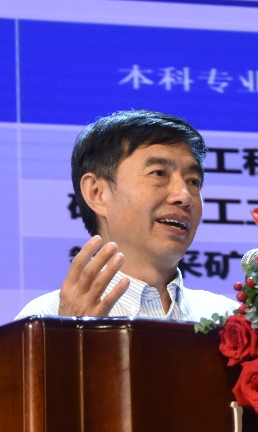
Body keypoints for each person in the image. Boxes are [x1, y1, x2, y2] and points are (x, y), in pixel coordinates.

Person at [16, 110, 239, 322]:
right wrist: (73, 336)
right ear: (97, 193)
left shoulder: (230, 320)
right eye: (159, 173)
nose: (184, 196)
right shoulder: (48, 318)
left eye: (193, 181)